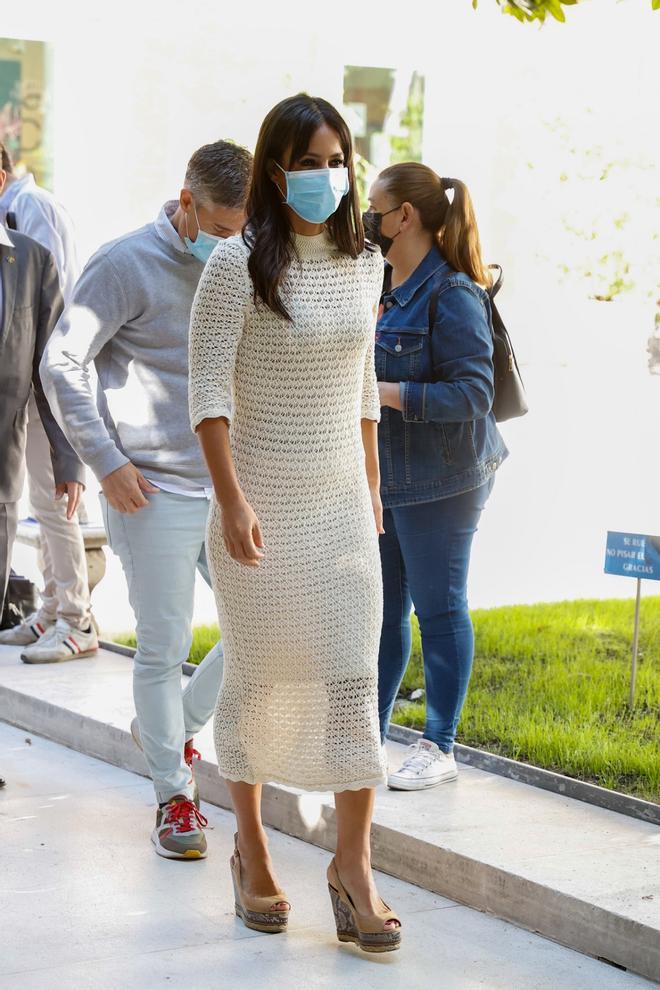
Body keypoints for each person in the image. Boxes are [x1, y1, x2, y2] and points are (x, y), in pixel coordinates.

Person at [189, 94, 401, 952]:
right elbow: (207, 397)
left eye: (337, 158)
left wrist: (374, 485)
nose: (326, 176)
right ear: (275, 170)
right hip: (260, 509)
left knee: (353, 679)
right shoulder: (235, 264)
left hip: (343, 508)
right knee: (260, 678)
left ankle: (352, 870)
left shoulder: (363, 263)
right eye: (308, 161)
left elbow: (361, 386)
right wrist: (233, 499)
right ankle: (252, 848)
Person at [41, 139, 253, 860]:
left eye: (243, 232)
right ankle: (174, 795)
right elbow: (61, 360)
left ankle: (166, 731)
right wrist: (105, 462)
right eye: (222, 230)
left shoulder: (247, 260)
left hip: (229, 484)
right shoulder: (124, 262)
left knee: (259, 629)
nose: (233, 246)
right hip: (150, 487)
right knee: (163, 645)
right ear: (187, 203)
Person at [363, 162, 508, 791]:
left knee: (439, 607)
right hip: (388, 480)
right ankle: (364, 736)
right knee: (383, 609)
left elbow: (474, 392)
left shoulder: (452, 293)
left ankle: (439, 745)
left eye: (375, 208)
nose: (365, 219)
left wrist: (385, 391)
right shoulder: (383, 286)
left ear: (406, 217)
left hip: (447, 478)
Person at [0, 141, 95, 662]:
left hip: (44, 376)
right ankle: (52, 608)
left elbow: (38, 303)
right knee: (40, 502)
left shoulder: (31, 210)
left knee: (56, 499)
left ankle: (76, 619)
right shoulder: (23, 206)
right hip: (29, 375)